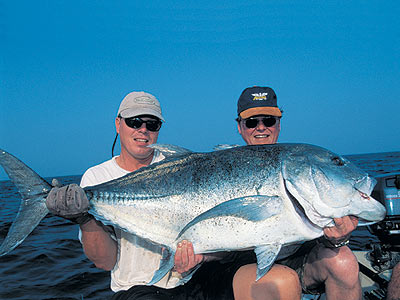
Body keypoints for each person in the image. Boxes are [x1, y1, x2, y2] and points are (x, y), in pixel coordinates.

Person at [46, 90, 300, 300]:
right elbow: (105, 261)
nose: (143, 130)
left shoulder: (179, 166)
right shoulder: (97, 178)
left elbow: (222, 228)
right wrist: (84, 218)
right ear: (118, 123)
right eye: (135, 122)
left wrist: (201, 257)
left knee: (280, 283)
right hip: (138, 289)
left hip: (197, 279)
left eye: (152, 124)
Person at [232, 86, 361, 300]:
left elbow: (318, 226)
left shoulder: (303, 168)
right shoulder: (227, 168)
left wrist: (338, 238)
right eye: (252, 122)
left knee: (344, 262)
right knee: (281, 281)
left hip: (296, 256)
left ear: (279, 125)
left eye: (269, 121)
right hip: (242, 262)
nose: (261, 128)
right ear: (240, 127)